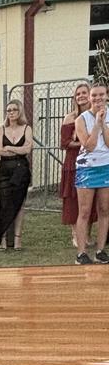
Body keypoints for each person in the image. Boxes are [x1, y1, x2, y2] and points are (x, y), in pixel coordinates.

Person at [74, 82, 109, 265]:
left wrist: (103, 124)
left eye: (101, 95)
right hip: (87, 167)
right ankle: (81, 253)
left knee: (104, 209)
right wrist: (96, 124)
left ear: (106, 95)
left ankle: (101, 250)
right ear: (89, 98)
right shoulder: (81, 119)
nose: (98, 99)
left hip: (106, 166)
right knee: (85, 211)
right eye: (94, 95)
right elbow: (88, 145)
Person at [60, 83, 96, 248]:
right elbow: (65, 143)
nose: (81, 96)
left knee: (91, 200)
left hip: (94, 162)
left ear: (90, 95)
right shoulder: (69, 118)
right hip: (74, 163)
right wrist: (84, 142)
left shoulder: (97, 116)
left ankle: (87, 234)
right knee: (74, 199)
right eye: (78, 94)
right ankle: (76, 234)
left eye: (84, 93)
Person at [0, 101, 33, 250]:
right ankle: (3, 238)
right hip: (4, 170)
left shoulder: (26, 128)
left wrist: (10, 147)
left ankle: (17, 239)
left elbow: (28, 149)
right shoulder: (0, 130)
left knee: (19, 204)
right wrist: (19, 149)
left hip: (21, 171)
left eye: (14, 109)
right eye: (8, 110)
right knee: (3, 204)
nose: (11, 112)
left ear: (20, 111)